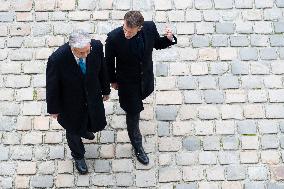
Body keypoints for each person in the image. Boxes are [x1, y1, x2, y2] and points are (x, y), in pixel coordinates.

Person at [105, 11, 177, 165]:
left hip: (145, 79)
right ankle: (137, 145)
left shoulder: (150, 27)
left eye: (130, 32)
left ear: (140, 28)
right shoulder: (113, 38)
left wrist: (169, 39)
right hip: (127, 84)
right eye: (124, 29)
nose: (126, 33)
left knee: (139, 103)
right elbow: (109, 63)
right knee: (133, 116)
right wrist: (112, 81)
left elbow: (157, 43)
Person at [46, 29, 110, 174]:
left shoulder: (97, 47)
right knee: (73, 130)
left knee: (90, 117)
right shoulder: (57, 59)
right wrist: (54, 109)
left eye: (88, 51)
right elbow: (52, 87)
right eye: (81, 53)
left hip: (92, 95)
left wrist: (105, 90)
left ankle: (86, 129)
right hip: (69, 103)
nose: (86, 55)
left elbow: (102, 70)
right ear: (72, 48)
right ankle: (78, 155)